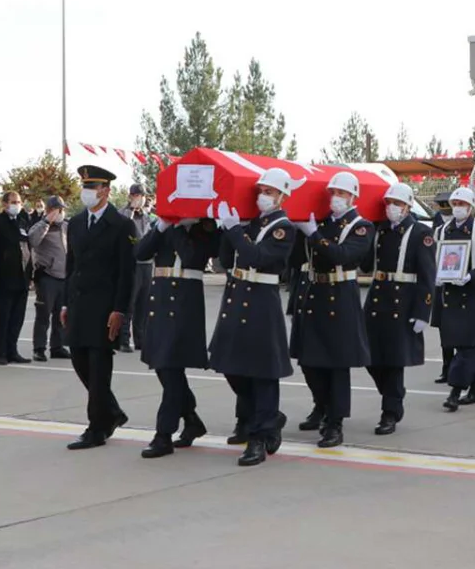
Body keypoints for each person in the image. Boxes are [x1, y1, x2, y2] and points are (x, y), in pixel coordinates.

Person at [210, 168, 297, 466]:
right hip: (237, 298)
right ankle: (267, 416)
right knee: (232, 366)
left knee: (262, 372)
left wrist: (235, 230)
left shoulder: (283, 228)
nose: (263, 196)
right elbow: (225, 260)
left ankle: (259, 436)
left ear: (283, 196)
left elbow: (257, 258)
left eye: (270, 192)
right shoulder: (249, 224)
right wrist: (225, 229)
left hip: (262, 302)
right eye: (261, 191)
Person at [289, 171, 374, 447]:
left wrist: (314, 235)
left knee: (337, 364)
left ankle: (335, 422)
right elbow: (300, 258)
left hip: (340, 295)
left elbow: (343, 255)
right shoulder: (321, 223)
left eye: (341, 194)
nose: (335, 198)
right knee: (310, 360)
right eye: (333, 193)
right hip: (315, 293)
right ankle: (321, 406)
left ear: (352, 197)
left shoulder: (362, 227)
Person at [60, 165, 137, 450]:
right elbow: (72, 266)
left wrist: (121, 310)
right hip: (80, 304)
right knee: (80, 362)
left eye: (92, 187)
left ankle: (97, 427)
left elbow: (127, 273)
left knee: (98, 367)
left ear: (106, 190)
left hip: (105, 308)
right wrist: (66, 301)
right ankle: (112, 412)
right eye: (85, 186)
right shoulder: (77, 222)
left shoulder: (121, 225)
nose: (87, 192)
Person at [135, 214, 218, 458]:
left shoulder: (205, 227)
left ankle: (164, 435)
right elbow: (140, 253)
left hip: (183, 302)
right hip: (159, 299)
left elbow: (193, 257)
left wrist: (183, 227)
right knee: (164, 368)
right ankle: (191, 419)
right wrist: (161, 226)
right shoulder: (165, 227)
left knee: (170, 367)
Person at [365, 182, 435, 434]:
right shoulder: (380, 230)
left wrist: (423, 312)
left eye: (397, 203)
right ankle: (394, 396)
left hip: (402, 301)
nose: (392, 208)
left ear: (407, 206)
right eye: (389, 203)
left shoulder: (420, 233)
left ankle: (390, 412)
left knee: (393, 360)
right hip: (377, 298)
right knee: (370, 357)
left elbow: (428, 276)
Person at [433, 187, 475, 410]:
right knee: (460, 344)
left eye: (462, 205)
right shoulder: (443, 231)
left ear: (470, 207)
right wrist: (438, 276)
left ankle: (455, 391)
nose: (458, 208)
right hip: (449, 297)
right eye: (455, 204)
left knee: (466, 347)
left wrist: (472, 275)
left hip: (471, 297)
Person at [0, 191, 33, 365]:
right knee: (3, 317)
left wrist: (30, 276)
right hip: (3, 278)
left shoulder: (21, 222)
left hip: (21, 278)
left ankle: (13, 350)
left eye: (19, 202)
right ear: (5, 204)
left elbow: (26, 249)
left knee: (17, 318)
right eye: (13, 202)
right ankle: (1, 352)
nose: (17, 205)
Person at [29, 195, 71, 362]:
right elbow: (33, 240)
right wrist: (46, 222)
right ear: (49, 210)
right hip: (47, 276)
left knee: (60, 314)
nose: (61, 213)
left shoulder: (66, 226)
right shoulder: (40, 226)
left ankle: (57, 346)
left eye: (62, 209)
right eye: (57, 209)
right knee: (43, 314)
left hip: (64, 276)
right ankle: (39, 348)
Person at [120, 184, 154, 353]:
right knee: (129, 303)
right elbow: (122, 229)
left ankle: (141, 339)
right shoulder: (124, 214)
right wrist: (131, 212)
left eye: (141, 196)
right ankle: (123, 339)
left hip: (147, 263)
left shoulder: (146, 215)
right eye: (137, 195)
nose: (140, 198)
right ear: (131, 196)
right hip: (131, 263)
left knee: (144, 303)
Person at [430, 190, 454, 384]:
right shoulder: (437, 226)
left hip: (459, 281)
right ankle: (447, 366)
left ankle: (466, 367)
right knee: (444, 328)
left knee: (460, 330)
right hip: (441, 281)